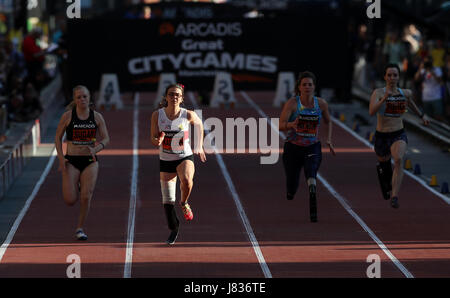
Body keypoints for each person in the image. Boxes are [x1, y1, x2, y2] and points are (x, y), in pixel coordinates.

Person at [150, 83, 206, 245]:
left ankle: (184, 202)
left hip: (184, 156)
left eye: (177, 95)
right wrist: (157, 140)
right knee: (167, 202)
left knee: (187, 181)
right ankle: (174, 229)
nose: (174, 97)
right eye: (171, 94)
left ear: (181, 99)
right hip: (166, 159)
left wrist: (199, 145)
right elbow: (152, 138)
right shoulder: (157, 115)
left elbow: (200, 124)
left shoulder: (187, 114)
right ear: (166, 97)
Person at [369, 63, 430, 209]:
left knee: (398, 159)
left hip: (398, 133)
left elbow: (411, 104)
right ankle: (385, 177)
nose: (392, 78)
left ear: (398, 77)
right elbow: (371, 111)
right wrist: (384, 99)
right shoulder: (377, 93)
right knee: (384, 164)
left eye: (395, 75)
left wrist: (422, 116)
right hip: (381, 135)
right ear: (385, 77)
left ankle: (395, 196)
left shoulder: (405, 93)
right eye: (389, 75)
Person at [55, 85, 110, 240]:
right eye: (78, 97)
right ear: (74, 99)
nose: (82, 99)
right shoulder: (67, 116)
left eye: (84, 96)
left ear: (89, 98)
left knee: (86, 196)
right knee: (70, 200)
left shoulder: (97, 117)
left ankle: (80, 228)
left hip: (90, 161)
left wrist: (96, 149)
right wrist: (61, 158)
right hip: (71, 161)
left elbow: (106, 138)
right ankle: (76, 183)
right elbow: (57, 137)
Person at [279, 71, 335, 223]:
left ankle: (312, 192)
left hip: (312, 146)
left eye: (310, 84)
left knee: (311, 172)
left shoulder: (321, 104)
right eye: (304, 85)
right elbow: (280, 125)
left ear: (314, 87)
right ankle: (291, 191)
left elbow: (328, 121)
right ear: (299, 87)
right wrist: (292, 124)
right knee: (292, 183)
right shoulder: (292, 104)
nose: (307, 87)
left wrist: (328, 140)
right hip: (293, 147)